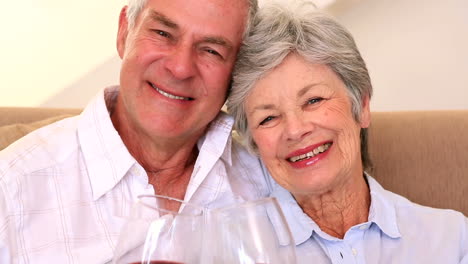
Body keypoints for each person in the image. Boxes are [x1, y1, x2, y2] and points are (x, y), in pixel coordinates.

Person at [0, 0, 269, 262]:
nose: (180, 68)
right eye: (163, 33)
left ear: (237, 69)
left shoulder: (274, 178)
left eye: (211, 50)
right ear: (124, 32)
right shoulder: (10, 191)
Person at [227, 1, 468, 263]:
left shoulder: (451, 239)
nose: (295, 130)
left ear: (362, 106)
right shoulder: (232, 248)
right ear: (253, 142)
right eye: (269, 118)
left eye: (314, 100)